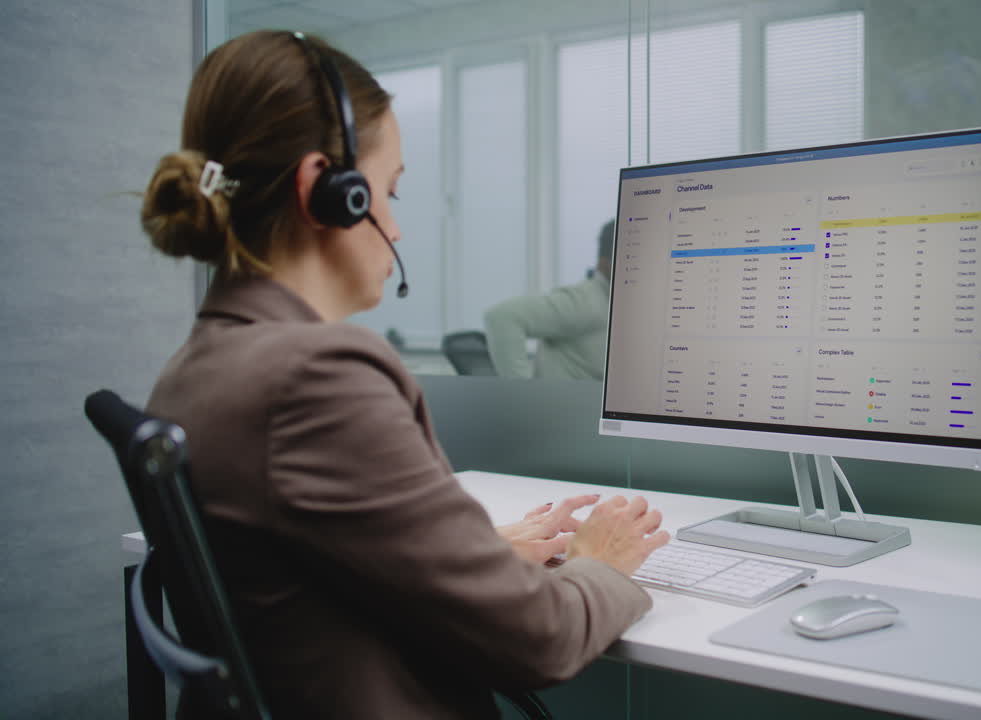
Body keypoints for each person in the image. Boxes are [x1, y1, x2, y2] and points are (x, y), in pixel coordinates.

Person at [139, 30, 668, 719]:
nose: (397, 224)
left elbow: (306, 567)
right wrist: (602, 558)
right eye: (388, 191)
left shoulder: (191, 370)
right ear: (328, 193)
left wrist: (470, 556)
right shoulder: (317, 380)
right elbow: (543, 640)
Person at [483, 220, 615, 380]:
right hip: (566, 404)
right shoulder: (587, 301)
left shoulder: (619, 308)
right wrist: (523, 394)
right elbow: (502, 317)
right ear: (605, 263)